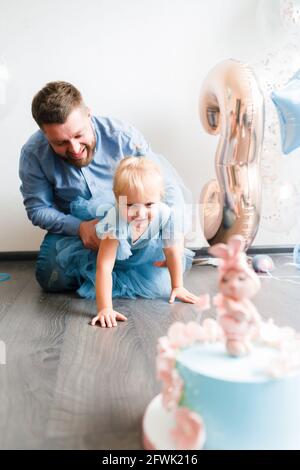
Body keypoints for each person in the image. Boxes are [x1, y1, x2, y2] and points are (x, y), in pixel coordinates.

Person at [19, 81, 191, 294]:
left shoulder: (123, 137)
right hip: (76, 233)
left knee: (164, 274)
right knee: (51, 276)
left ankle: (113, 272)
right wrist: (80, 227)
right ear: (45, 135)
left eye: (79, 135)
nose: (74, 149)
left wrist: (176, 233)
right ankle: (104, 273)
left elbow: (165, 185)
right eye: (60, 143)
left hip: (132, 223)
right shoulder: (33, 154)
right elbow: (38, 209)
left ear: (88, 114)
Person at [56, 156, 201, 327]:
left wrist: (178, 285)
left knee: (160, 281)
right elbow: (104, 266)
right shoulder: (115, 221)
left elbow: (172, 251)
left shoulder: (165, 214)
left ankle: (139, 273)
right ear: (118, 200)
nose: (140, 213)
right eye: (130, 204)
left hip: (141, 252)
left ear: (160, 199)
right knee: (96, 270)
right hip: (107, 251)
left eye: (148, 204)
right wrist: (105, 308)